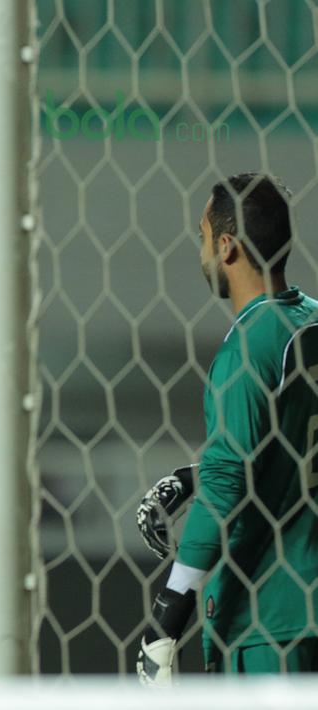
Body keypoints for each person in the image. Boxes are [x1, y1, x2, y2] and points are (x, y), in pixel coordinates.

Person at [138, 173, 318, 683]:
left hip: (268, 620)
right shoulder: (312, 324)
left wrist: (166, 620)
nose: (201, 254)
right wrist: (196, 475)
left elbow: (228, 481)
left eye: (201, 237)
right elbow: (288, 443)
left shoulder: (247, 349)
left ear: (227, 245)